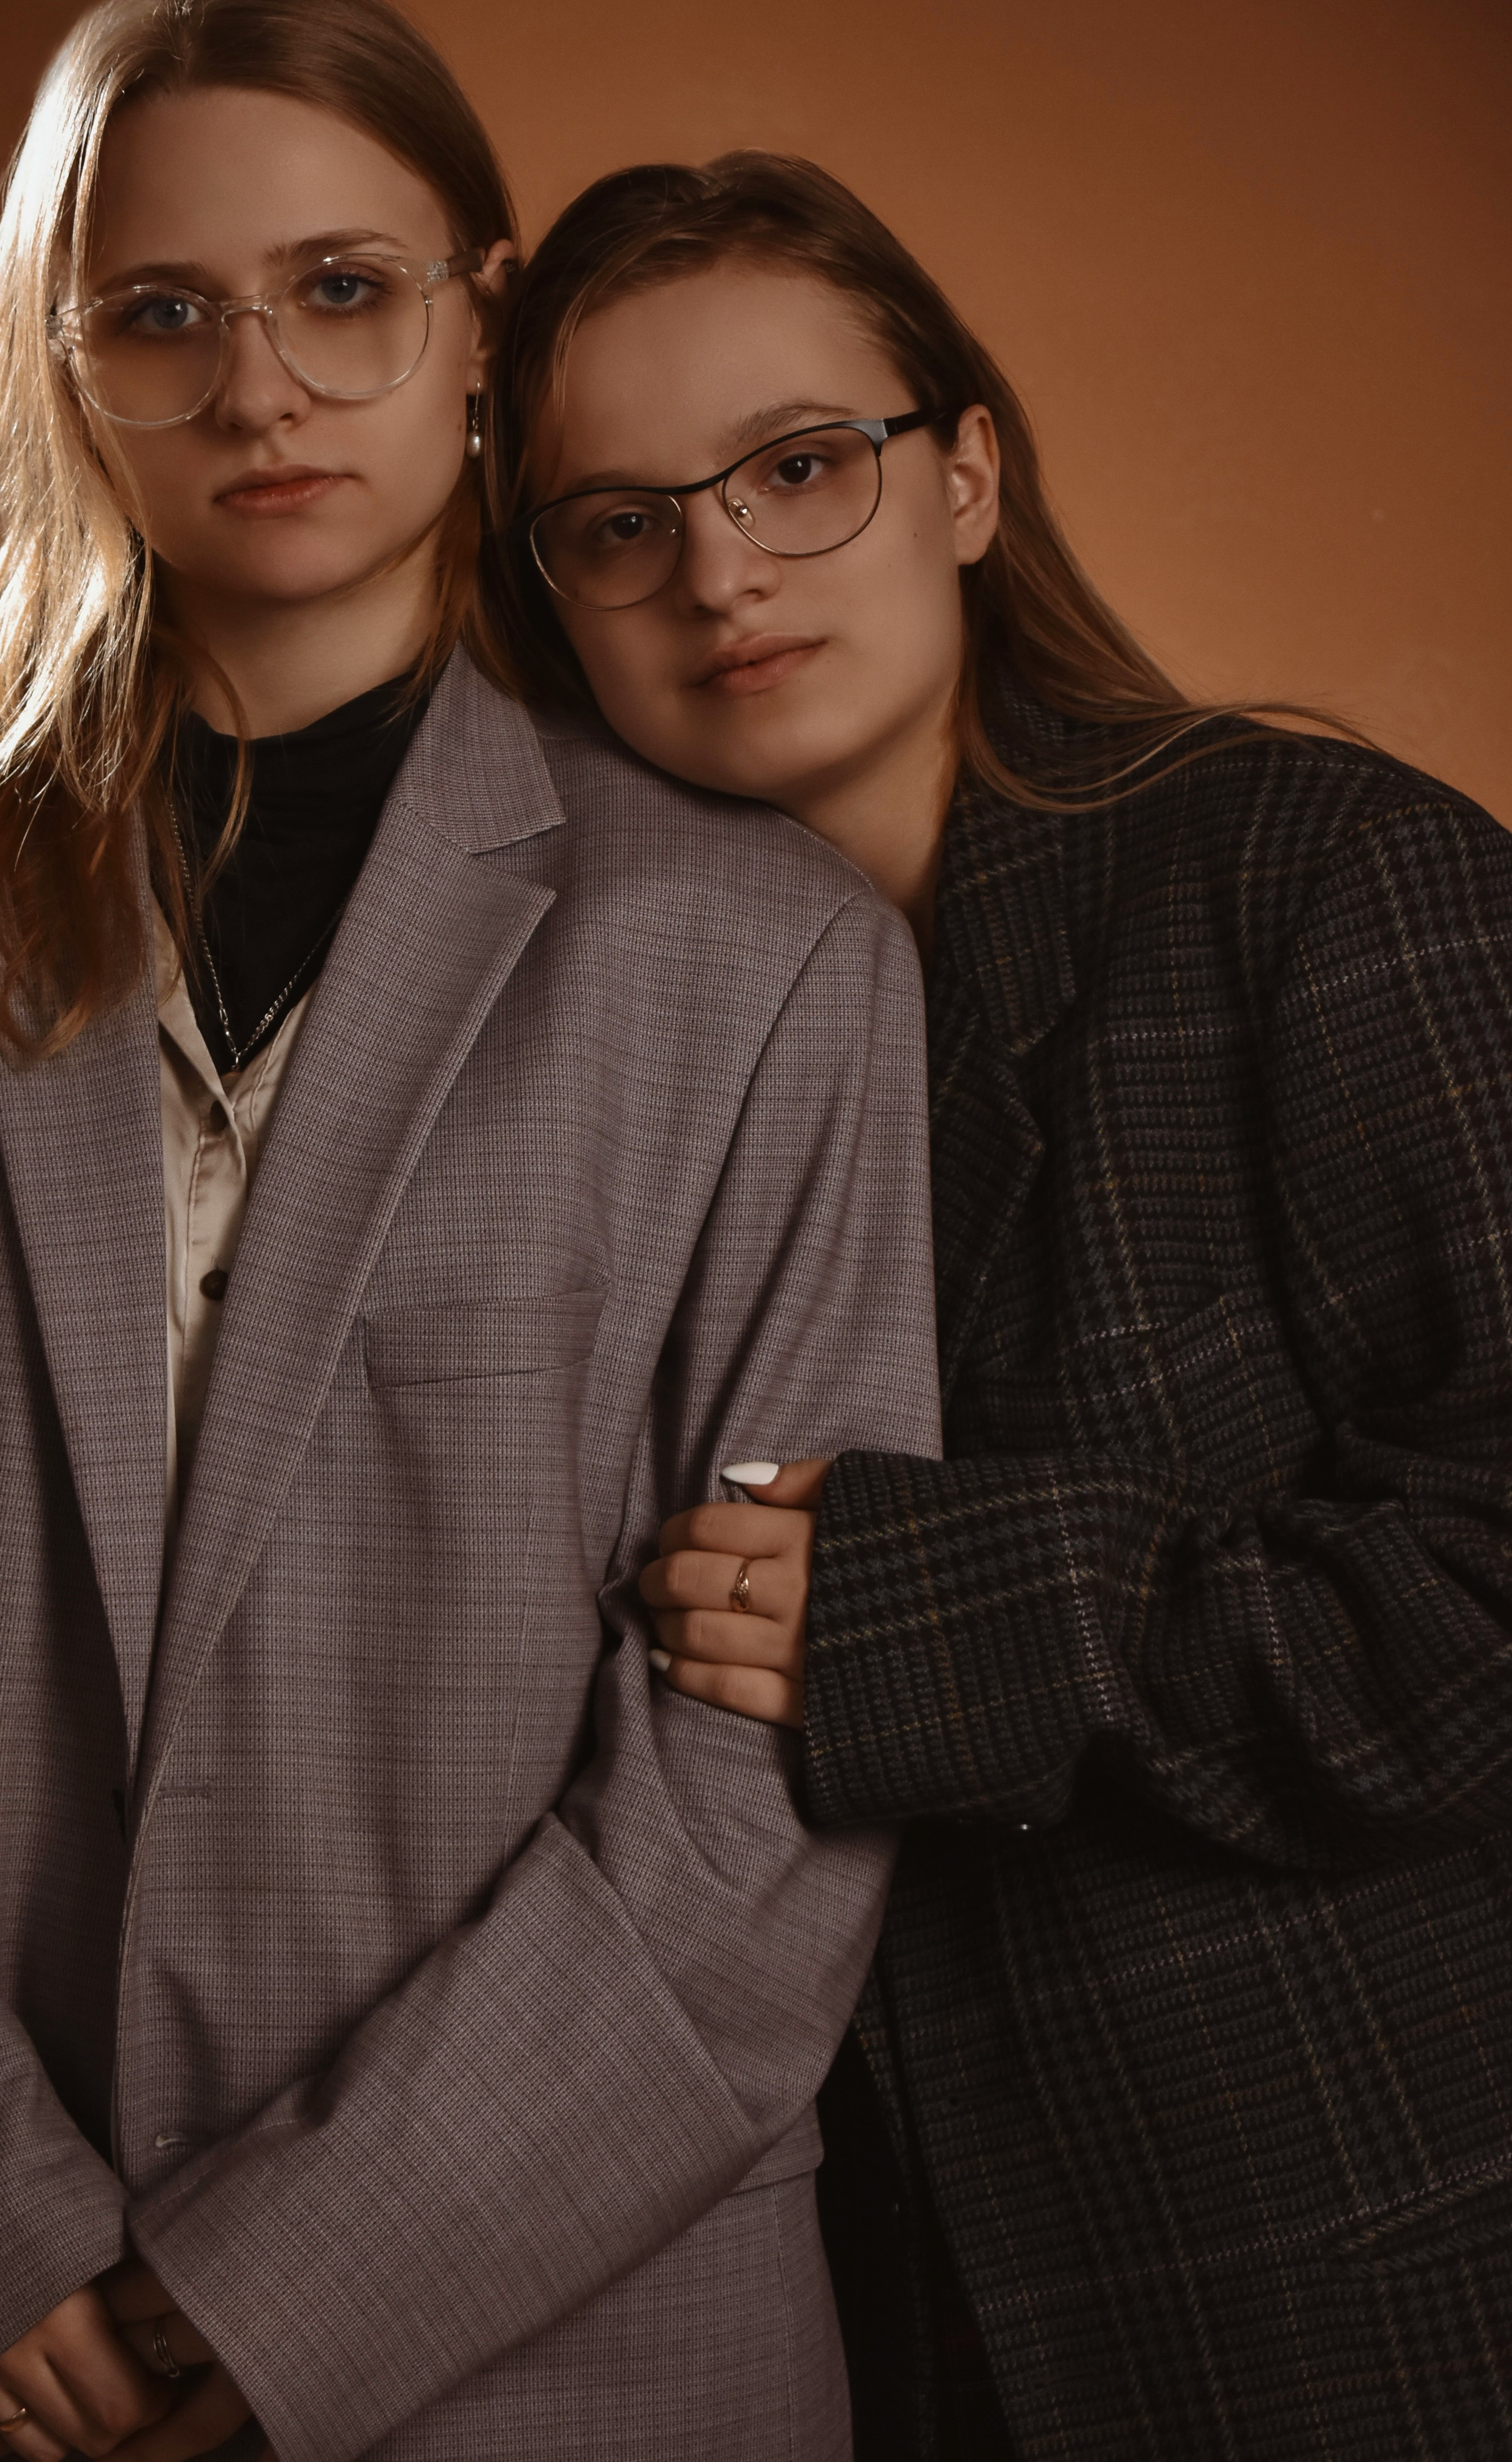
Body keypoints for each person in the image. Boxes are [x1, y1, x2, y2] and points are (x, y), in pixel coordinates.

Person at [0, 0, 942, 2462]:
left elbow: (760, 1768)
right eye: (161, 315)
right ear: (54, 356)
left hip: (581, 2331)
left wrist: (290, 2284)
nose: (262, 389)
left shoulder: (763, 954)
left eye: (340, 291)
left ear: (479, 322)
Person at [481, 150, 1512, 2461]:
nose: (717, 570)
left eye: (796, 467)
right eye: (619, 522)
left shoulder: (1321, 883)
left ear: (962, 477)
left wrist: (965, 1611)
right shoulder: (589, 1069)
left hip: (1358, 2293)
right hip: (847, 2333)